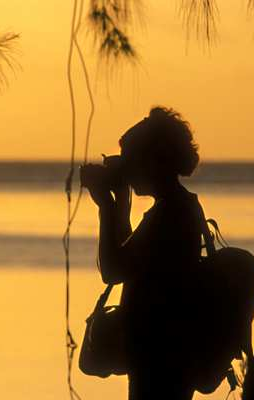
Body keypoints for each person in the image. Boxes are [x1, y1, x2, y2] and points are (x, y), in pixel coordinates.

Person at [81, 106, 204, 400]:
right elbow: (128, 262)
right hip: (159, 354)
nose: (124, 167)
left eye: (130, 158)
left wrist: (106, 208)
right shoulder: (176, 206)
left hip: (160, 356)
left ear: (153, 161)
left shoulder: (171, 213)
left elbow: (112, 270)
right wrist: (120, 203)